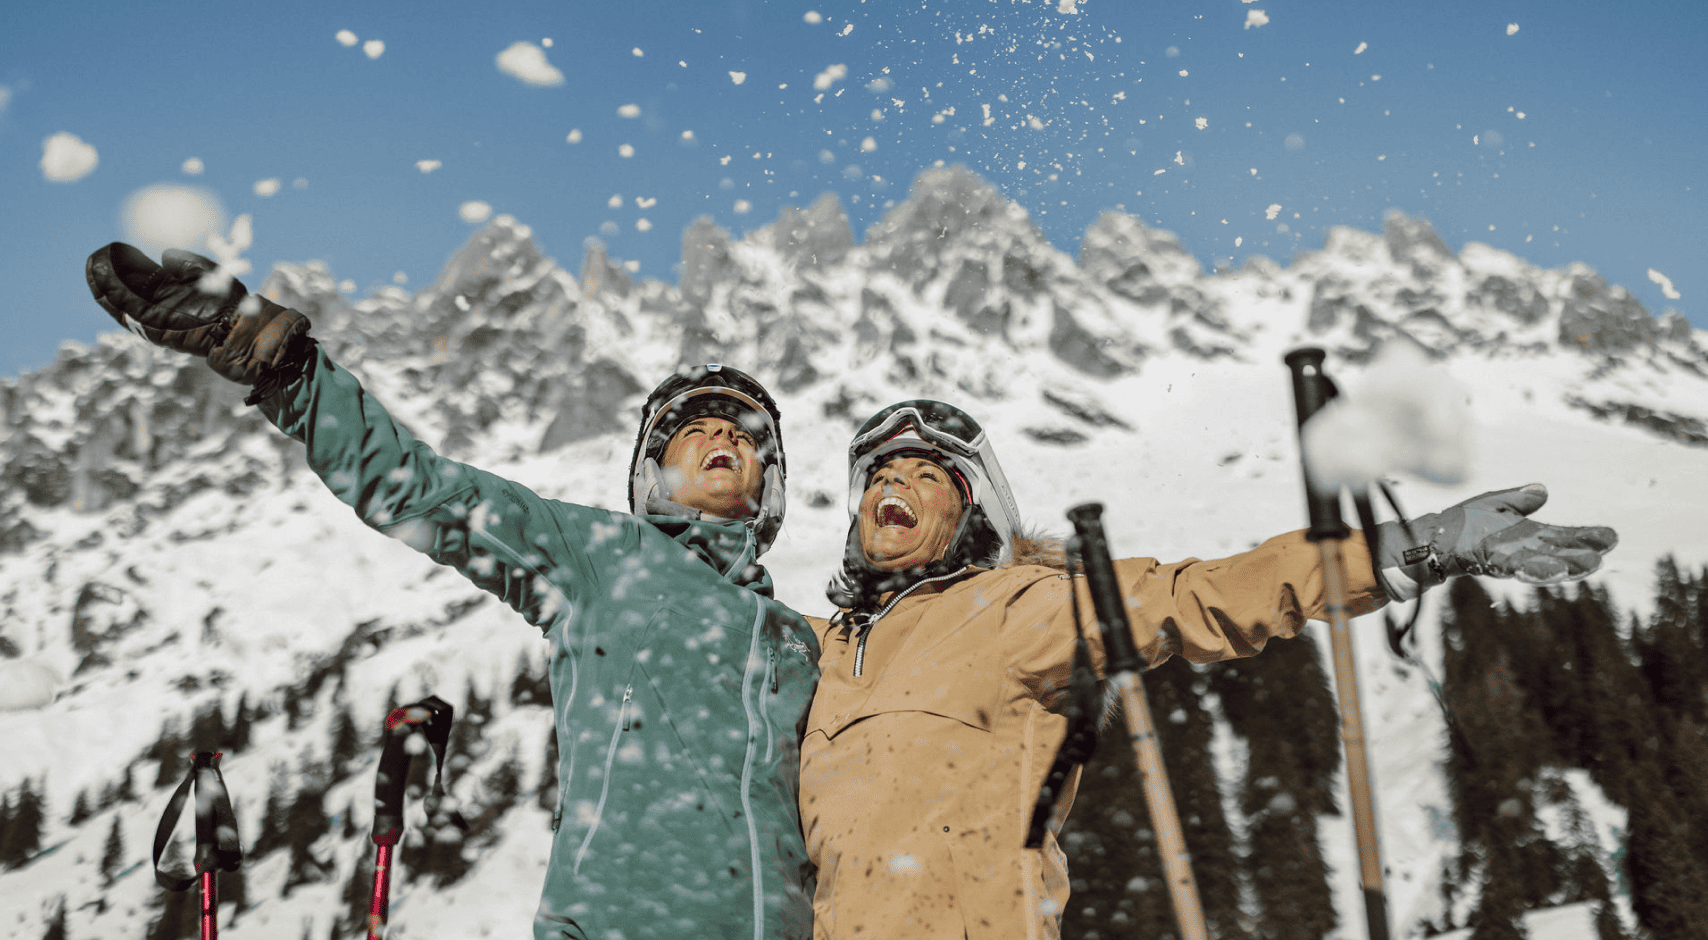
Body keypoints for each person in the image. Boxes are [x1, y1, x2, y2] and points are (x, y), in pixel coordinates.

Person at [85, 243, 820, 940]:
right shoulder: (601, 560)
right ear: (652, 477)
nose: (723, 432)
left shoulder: (808, 639)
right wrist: (284, 364)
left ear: (770, 482)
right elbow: (421, 492)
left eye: (746, 431)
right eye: (692, 428)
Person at [797, 399, 1617, 940]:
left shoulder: (1019, 609)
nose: (894, 485)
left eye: (927, 475)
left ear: (969, 514)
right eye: (881, 475)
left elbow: (1200, 597)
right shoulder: (818, 650)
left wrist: (1424, 542)